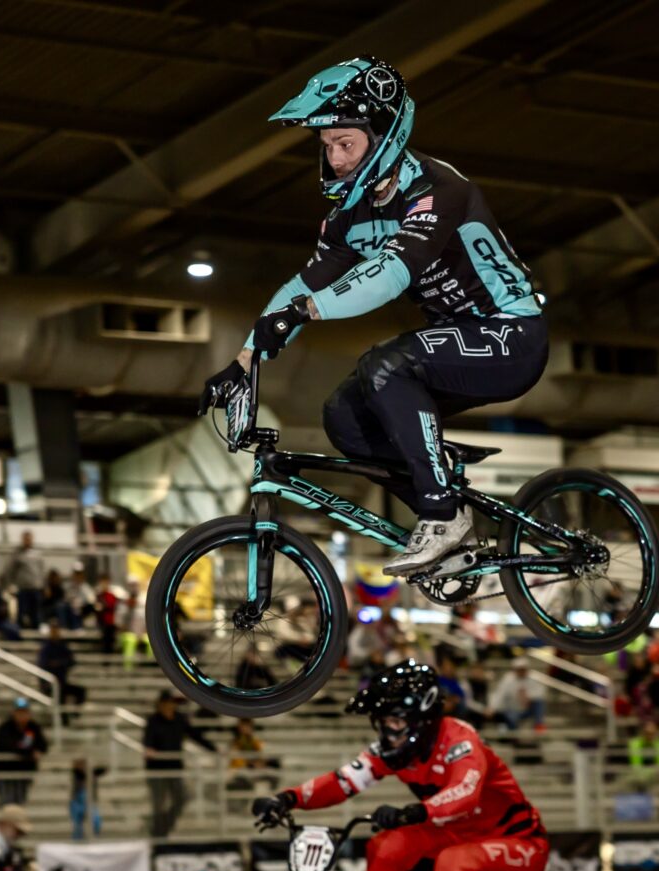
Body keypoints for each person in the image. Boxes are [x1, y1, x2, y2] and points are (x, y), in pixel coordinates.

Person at [198, 56, 548, 578]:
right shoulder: (350, 214)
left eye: (346, 144)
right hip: (453, 340)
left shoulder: (436, 188)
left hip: (510, 335)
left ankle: (442, 514)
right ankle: (457, 535)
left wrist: (305, 313)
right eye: (327, 146)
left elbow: (390, 274)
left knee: (384, 365)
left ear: (383, 134)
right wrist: (245, 359)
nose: (335, 159)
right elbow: (303, 284)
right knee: (345, 417)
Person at [253, 660, 548, 871]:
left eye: (395, 722)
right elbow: (342, 782)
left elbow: (464, 793)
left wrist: (414, 812)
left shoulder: (460, 740)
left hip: (519, 844)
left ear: (421, 719)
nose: (387, 734)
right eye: (382, 724)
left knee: (455, 864)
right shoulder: (396, 748)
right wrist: (288, 798)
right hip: (455, 835)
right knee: (383, 846)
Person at [143, 690, 216, 838]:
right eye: (166, 703)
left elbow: (195, 735)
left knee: (181, 798)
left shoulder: (179, 719)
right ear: (160, 705)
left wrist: (213, 748)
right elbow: (148, 739)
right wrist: (149, 749)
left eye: (171, 703)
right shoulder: (153, 720)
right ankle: (158, 835)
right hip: (157, 770)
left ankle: (163, 828)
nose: (169, 707)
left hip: (175, 768)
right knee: (159, 804)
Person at [0, 699, 48, 806]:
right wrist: (30, 751)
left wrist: (35, 750)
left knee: (20, 803)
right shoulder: (5, 728)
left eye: (25, 712)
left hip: (24, 772)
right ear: (14, 713)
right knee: (6, 803)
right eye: (19, 712)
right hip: (5, 772)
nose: (22, 716)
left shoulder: (33, 728)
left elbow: (42, 745)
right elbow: (9, 746)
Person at [37, 621, 87, 721]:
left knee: (80, 691)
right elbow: (43, 664)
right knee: (60, 693)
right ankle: (63, 720)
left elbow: (71, 661)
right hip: (50, 683)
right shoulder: (46, 648)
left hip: (62, 681)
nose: (55, 633)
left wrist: (59, 663)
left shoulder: (62, 646)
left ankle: (74, 714)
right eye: (53, 630)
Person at [626, 720, 659, 819]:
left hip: (654, 773)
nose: (650, 736)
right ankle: (641, 813)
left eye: (653, 733)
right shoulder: (635, 744)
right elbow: (636, 765)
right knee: (640, 781)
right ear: (643, 733)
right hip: (638, 773)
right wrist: (649, 772)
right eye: (648, 733)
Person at [488, 657, 546, 731]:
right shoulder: (508, 680)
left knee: (539, 702)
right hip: (513, 709)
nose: (521, 672)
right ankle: (515, 737)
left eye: (523, 669)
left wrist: (529, 697)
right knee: (511, 718)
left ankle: (539, 724)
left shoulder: (534, 678)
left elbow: (540, 693)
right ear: (515, 670)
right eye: (519, 669)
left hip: (528, 708)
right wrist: (492, 707)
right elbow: (500, 694)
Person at [3, 530, 45, 630]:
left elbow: (41, 570)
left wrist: (43, 584)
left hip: (35, 587)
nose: (27, 541)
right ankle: (20, 630)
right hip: (22, 588)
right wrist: (10, 585)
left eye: (29, 539)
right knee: (21, 611)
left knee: (35, 612)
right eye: (25, 539)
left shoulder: (37, 553)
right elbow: (10, 571)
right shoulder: (17, 554)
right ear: (23, 540)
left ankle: (36, 630)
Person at [118, 577, 151, 669]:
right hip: (128, 633)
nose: (133, 587)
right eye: (131, 585)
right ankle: (128, 668)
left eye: (135, 585)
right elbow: (119, 622)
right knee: (130, 640)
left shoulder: (144, 600)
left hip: (143, 633)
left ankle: (150, 667)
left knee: (151, 641)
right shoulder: (123, 601)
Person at [70, 758, 105, 840]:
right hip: (77, 801)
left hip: (88, 801)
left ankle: (93, 838)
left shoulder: (92, 773)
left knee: (96, 821)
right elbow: (80, 774)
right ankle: (77, 842)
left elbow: (103, 770)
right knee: (78, 825)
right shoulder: (77, 773)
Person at [64, 563, 96, 630]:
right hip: (71, 610)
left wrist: (81, 604)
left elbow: (91, 600)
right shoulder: (69, 587)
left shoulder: (86, 588)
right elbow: (66, 599)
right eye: (76, 574)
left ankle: (78, 627)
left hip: (83, 610)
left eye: (79, 574)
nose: (77, 576)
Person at [95, 574, 118, 654]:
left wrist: (103, 606)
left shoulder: (112, 594)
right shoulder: (99, 595)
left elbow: (112, 605)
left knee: (109, 642)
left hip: (110, 623)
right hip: (102, 622)